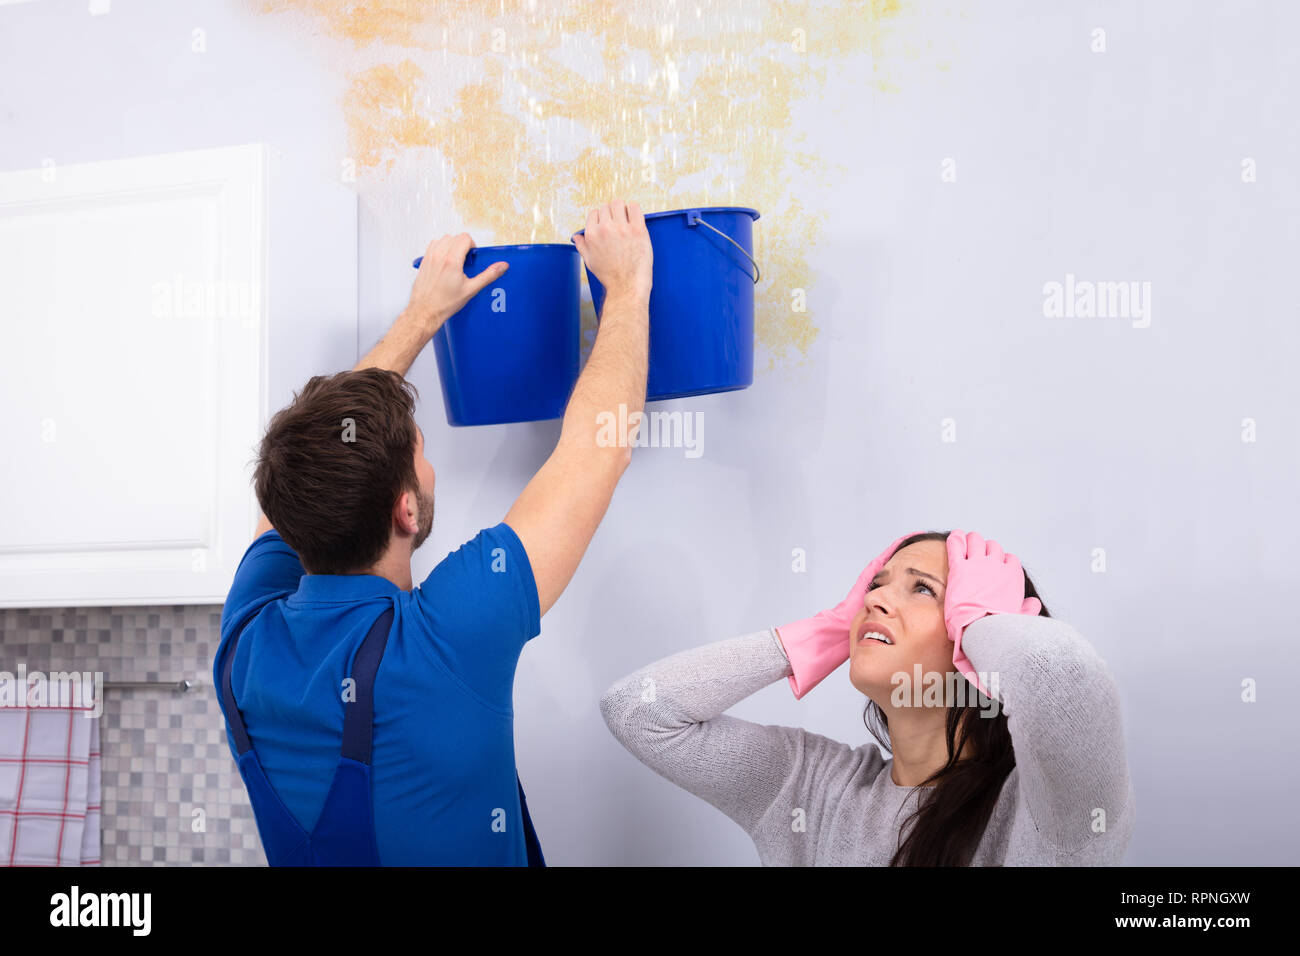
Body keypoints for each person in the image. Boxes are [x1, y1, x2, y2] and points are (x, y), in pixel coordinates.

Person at [214, 200, 653, 865]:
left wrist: (422, 316)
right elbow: (601, 448)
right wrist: (626, 289)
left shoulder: (245, 641)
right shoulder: (445, 637)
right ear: (406, 512)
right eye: (422, 452)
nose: (432, 466)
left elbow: (302, 464)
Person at [600, 530, 1136, 865]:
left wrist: (982, 623)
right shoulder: (810, 787)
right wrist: (825, 632)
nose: (876, 598)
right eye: (872, 588)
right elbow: (640, 710)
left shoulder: (1051, 812)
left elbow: (1063, 678)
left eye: (922, 588)